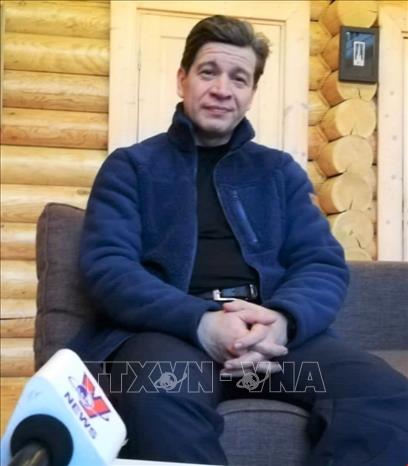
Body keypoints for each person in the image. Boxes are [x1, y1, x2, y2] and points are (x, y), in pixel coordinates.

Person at [76, 15, 408, 466]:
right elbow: (108, 268)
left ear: (252, 92)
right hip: (169, 337)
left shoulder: (279, 172)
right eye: (208, 72)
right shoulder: (132, 167)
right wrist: (202, 322)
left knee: (384, 396)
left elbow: (321, 263)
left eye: (239, 78)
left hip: (271, 344)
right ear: (182, 79)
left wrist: (283, 320)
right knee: (158, 392)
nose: (222, 89)